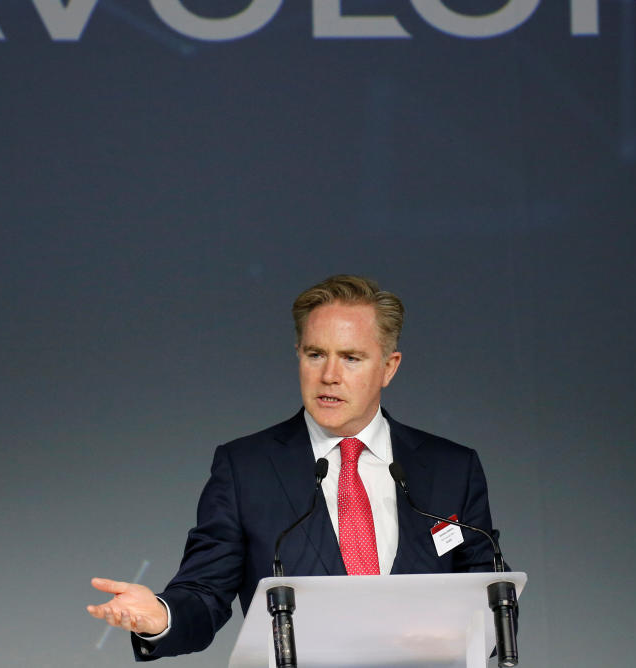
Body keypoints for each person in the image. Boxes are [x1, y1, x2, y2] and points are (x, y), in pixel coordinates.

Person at [87, 275, 501, 660]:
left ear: (388, 367)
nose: (329, 376)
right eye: (315, 354)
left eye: (351, 358)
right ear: (298, 356)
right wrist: (162, 617)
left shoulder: (451, 468)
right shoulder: (246, 468)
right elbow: (205, 592)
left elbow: (491, 597)